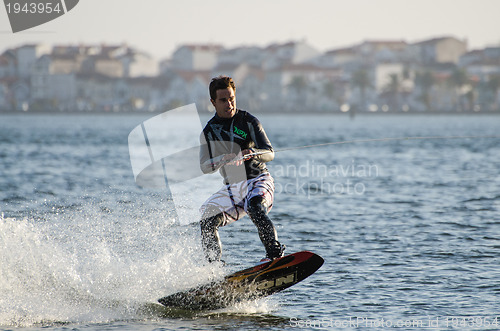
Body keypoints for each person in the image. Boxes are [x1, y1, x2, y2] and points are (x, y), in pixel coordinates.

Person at [199, 75, 285, 264]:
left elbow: (270, 153)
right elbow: (204, 166)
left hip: (258, 180)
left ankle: (274, 255)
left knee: (255, 207)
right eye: (223, 100)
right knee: (206, 221)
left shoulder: (248, 121)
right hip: (233, 187)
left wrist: (252, 152)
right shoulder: (208, 132)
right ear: (213, 102)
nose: (229, 104)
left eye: (232, 98)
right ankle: (213, 270)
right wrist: (222, 159)